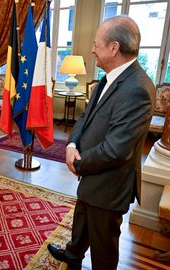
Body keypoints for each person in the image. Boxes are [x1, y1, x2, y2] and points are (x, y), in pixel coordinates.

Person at [47, 15, 155, 269]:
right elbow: (85, 117)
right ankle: (73, 256)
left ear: (114, 47)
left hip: (109, 184)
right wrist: (72, 146)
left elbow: (116, 150)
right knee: (82, 219)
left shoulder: (137, 89)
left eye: (96, 44)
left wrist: (78, 165)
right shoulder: (108, 77)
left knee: (103, 247)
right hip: (92, 175)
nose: (92, 49)